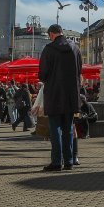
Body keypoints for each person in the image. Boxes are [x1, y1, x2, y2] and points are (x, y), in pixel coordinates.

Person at [39, 24, 82, 171]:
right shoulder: (75, 48)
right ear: (62, 32)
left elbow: (42, 74)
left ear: (51, 34)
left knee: (55, 128)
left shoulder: (49, 49)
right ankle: (69, 161)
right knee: (68, 128)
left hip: (54, 94)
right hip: (71, 94)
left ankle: (57, 162)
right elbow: (79, 70)